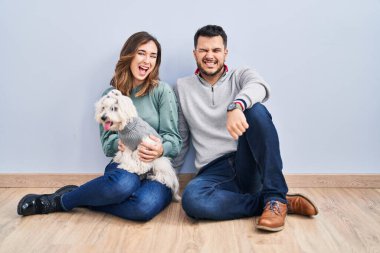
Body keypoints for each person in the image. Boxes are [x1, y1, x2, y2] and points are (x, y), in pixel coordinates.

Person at [17, 31, 182, 221]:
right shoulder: (111, 94)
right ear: (129, 55)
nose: (147, 60)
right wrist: (119, 143)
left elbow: (174, 140)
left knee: (143, 207)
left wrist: (160, 150)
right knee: (122, 186)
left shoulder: (161, 91)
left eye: (153, 56)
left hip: (157, 169)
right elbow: (107, 144)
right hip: (125, 163)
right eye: (142, 53)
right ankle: (57, 201)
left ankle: (82, 197)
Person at [173, 25, 318, 232]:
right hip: (212, 171)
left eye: (216, 50)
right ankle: (273, 202)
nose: (210, 56)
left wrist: (237, 105)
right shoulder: (182, 87)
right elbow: (182, 138)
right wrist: (168, 179)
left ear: (225, 52)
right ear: (195, 53)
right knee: (193, 201)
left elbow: (260, 86)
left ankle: (275, 196)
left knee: (256, 110)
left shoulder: (240, 74)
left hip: (246, 161)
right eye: (204, 50)